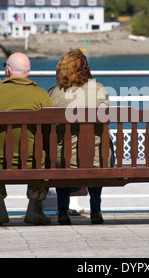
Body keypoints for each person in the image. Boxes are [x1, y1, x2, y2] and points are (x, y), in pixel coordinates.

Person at [0, 52, 53, 226]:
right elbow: (48, 133)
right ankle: (35, 208)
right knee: (45, 152)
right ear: (28, 72)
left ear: (8, 70)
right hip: (33, 163)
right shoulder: (41, 95)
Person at [48, 49, 115, 225]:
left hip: (64, 161)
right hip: (99, 160)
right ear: (85, 68)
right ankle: (95, 210)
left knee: (61, 155)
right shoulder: (99, 89)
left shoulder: (53, 94)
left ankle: (62, 211)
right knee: (97, 148)